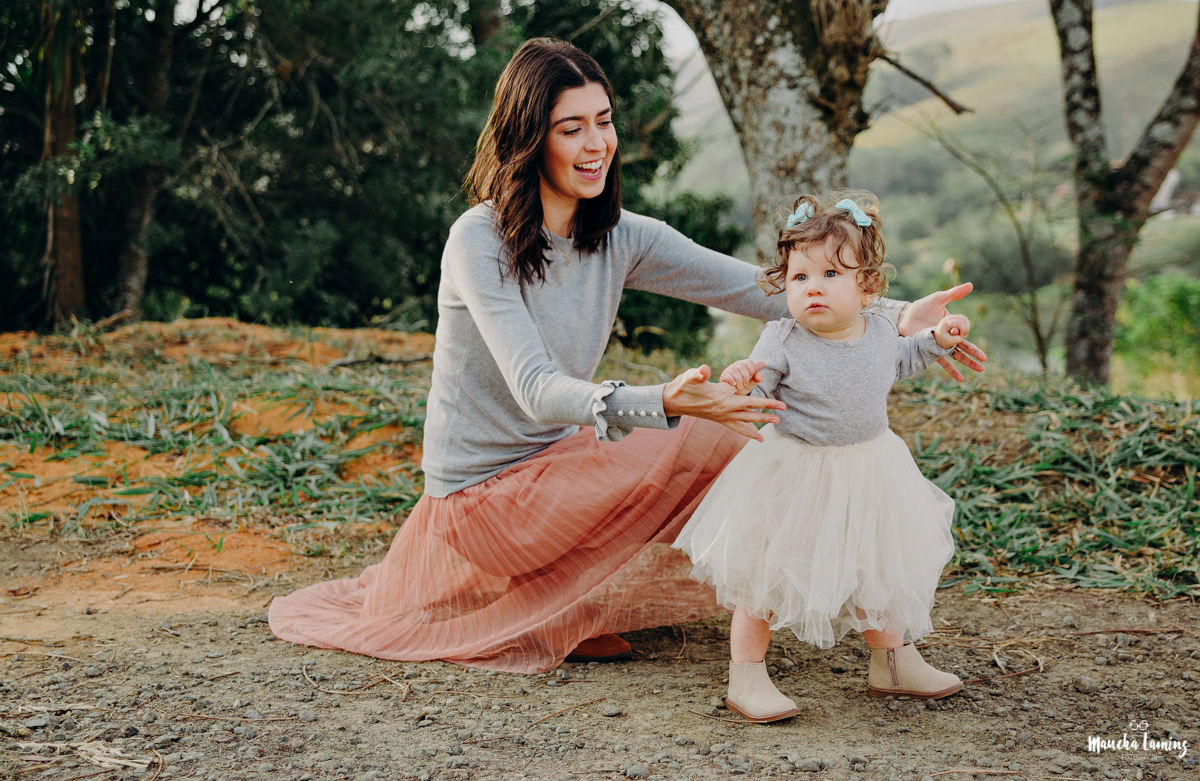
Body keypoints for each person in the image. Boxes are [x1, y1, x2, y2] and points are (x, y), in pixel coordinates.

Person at [268, 39, 986, 674]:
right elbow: (537, 389)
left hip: (565, 469)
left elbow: (766, 289)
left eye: (604, 121)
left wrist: (896, 316)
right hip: (483, 505)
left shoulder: (618, 234)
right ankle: (558, 604)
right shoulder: (478, 240)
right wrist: (663, 401)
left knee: (753, 430)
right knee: (724, 429)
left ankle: (580, 599)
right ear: (528, 140)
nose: (596, 144)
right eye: (571, 128)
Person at [672, 192, 968, 723]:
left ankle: (893, 664)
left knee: (876, 565)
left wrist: (939, 339)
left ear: (867, 286)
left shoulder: (881, 329)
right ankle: (747, 676)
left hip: (870, 469)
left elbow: (905, 358)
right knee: (765, 576)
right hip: (795, 473)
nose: (812, 287)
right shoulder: (781, 338)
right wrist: (741, 378)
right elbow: (758, 381)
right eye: (800, 277)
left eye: (831, 274)